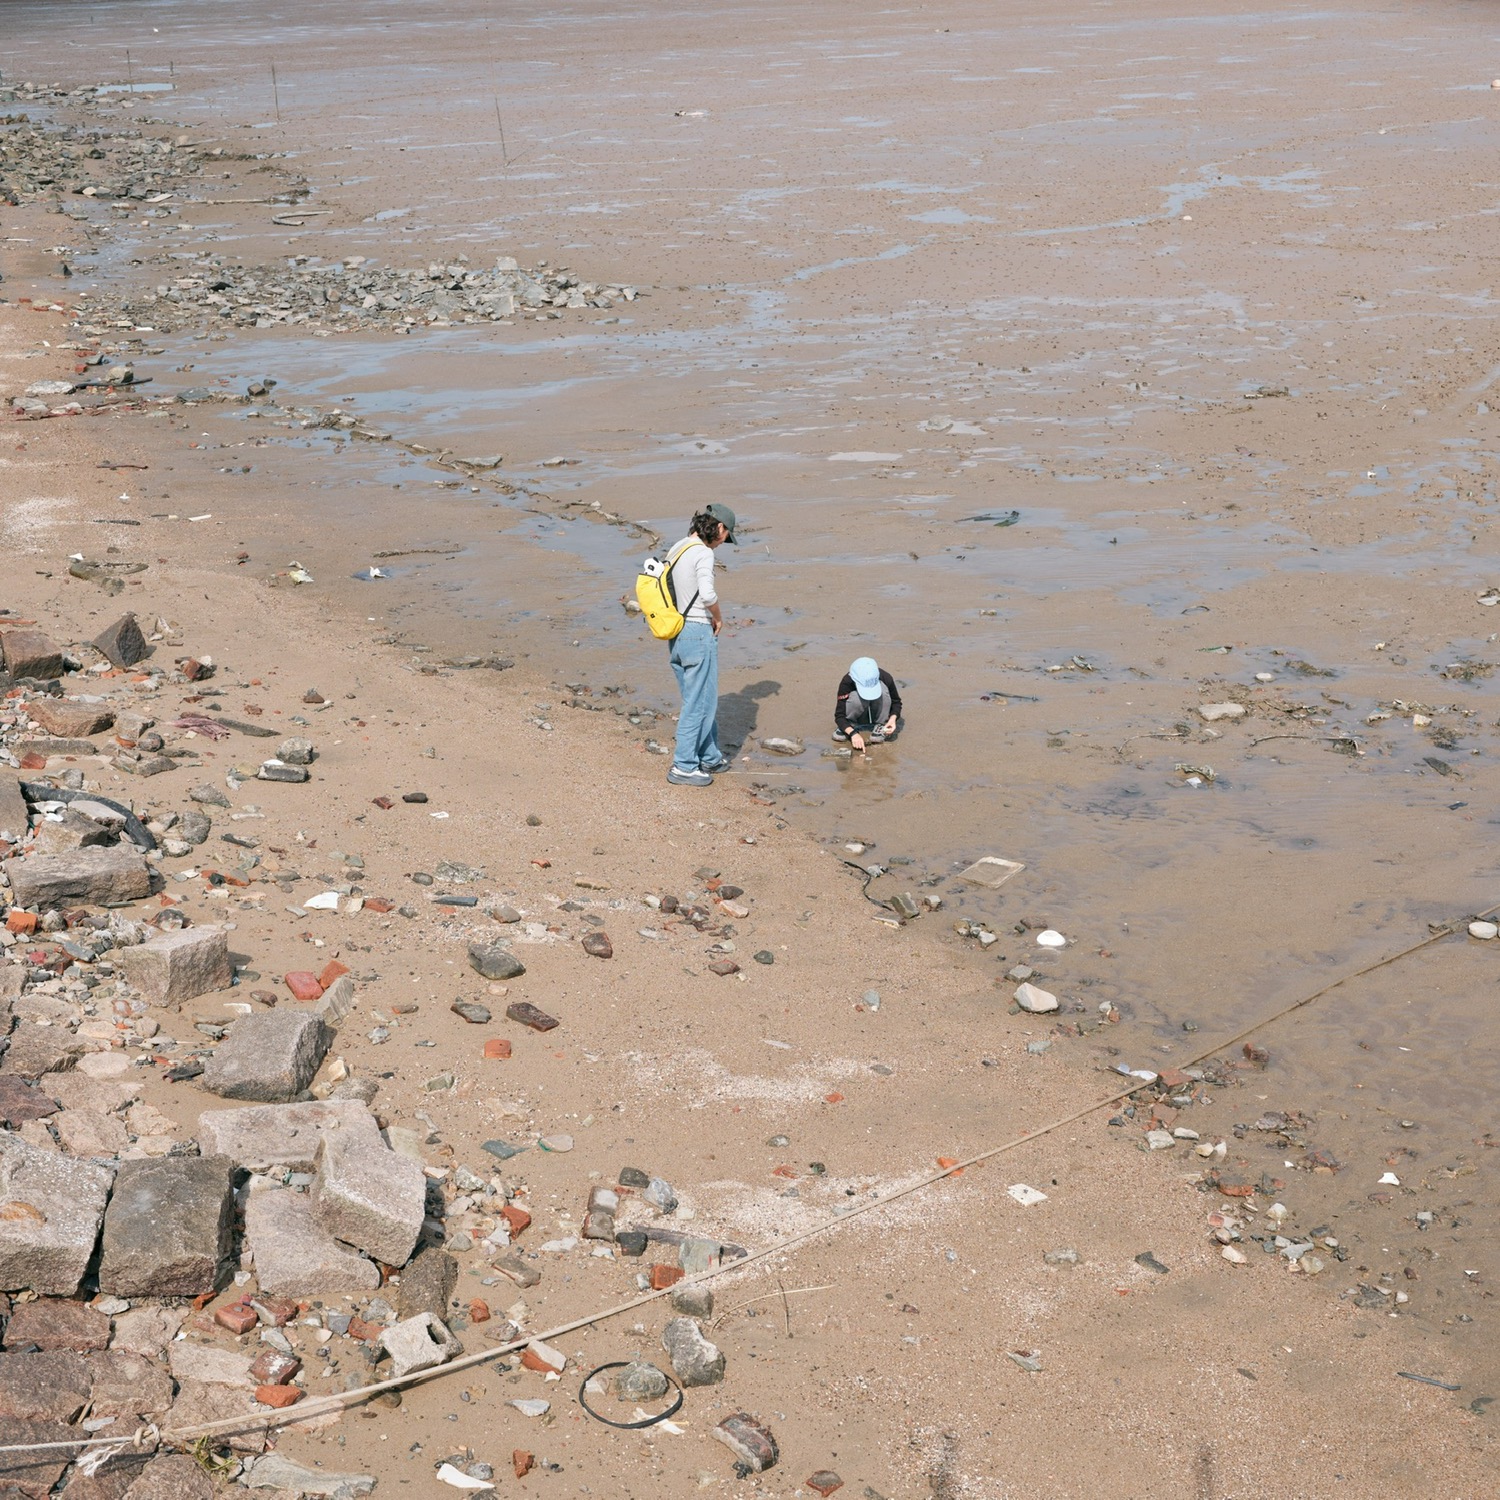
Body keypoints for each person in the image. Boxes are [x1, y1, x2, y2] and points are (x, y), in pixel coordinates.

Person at [665, 503, 737, 787]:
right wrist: (718, 618)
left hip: (676, 632)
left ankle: (709, 756)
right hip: (697, 631)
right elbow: (707, 595)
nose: (722, 543)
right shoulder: (704, 553)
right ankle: (684, 765)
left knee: (696, 698)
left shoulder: (677, 548)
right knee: (700, 703)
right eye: (726, 536)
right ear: (718, 527)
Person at [834, 657, 901, 752]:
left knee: (883, 691)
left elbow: (896, 702)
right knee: (855, 698)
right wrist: (852, 733)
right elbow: (839, 715)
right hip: (857, 716)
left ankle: (881, 724)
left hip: (879, 713)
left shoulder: (885, 677)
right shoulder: (847, 682)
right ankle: (849, 724)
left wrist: (892, 719)